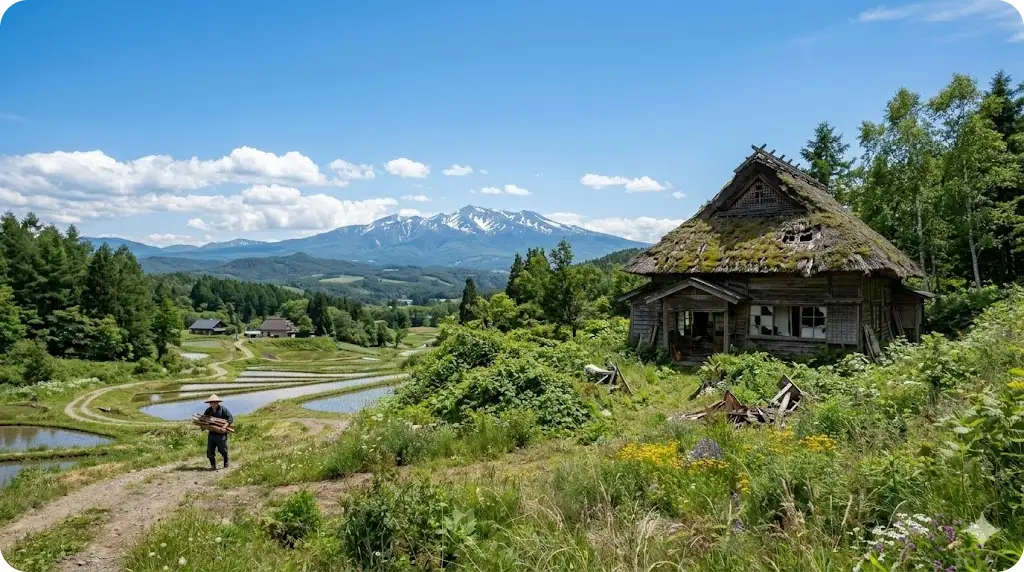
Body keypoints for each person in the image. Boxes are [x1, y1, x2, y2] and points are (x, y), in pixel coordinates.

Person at [202, 394, 233, 470]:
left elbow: (230, 418)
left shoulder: (223, 409)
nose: (214, 404)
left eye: (215, 402)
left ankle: (226, 462)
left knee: (223, 450)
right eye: (212, 402)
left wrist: (224, 426)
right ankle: (213, 465)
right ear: (210, 403)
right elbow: (204, 420)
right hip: (212, 434)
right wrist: (204, 426)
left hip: (221, 434)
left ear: (217, 402)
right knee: (210, 451)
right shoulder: (208, 410)